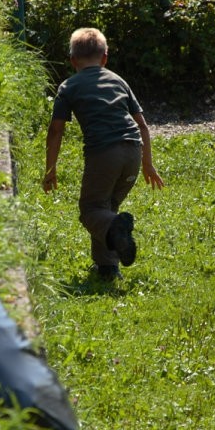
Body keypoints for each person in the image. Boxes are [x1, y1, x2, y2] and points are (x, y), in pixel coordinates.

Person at [42, 27, 164, 282]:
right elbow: (142, 124)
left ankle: (114, 235)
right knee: (106, 209)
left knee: (91, 210)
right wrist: (148, 164)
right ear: (105, 58)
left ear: (73, 60)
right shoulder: (119, 81)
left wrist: (50, 169)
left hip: (104, 153)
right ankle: (108, 268)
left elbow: (56, 130)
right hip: (133, 150)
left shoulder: (69, 86)